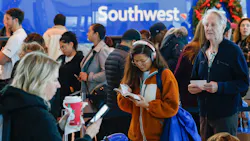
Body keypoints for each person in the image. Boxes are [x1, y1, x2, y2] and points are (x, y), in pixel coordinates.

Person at [0, 52, 102, 141]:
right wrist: (88, 136)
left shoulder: (10, 104)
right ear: (40, 82)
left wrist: (58, 128)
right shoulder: (40, 117)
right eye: (54, 79)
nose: (58, 85)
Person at [188, 9, 249, 140]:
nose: (209, 28)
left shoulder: (233, 51)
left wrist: (220, 87)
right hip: (204, 115)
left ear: (222, 27)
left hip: (225, 115)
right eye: (206, 25)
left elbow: (243, 84)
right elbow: (194, 78)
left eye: (213, 24)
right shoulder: (202, 51)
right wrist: (193, 88)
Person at [117, 40, 179, 141]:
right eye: (136, 61)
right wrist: (124, 95)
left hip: (159, 136)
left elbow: (172, 107)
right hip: (136, 136)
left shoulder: (165, 75)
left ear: (153, 57)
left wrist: (148, 105)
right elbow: (126, 108)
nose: (139, 64)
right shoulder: (133, 76)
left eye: (143, 61)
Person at [103, 29, 141, 137]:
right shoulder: (126, 57)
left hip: (111, 104)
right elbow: (129, 83)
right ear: (133, 42)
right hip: (122, 107)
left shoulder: (112, 54)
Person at [174, 21, 205, 129]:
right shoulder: (191, 49)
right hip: (195, 102)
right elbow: (177, 76)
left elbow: (177, 75)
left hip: (192, 101)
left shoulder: (190, 49)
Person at [79, 23, 111, 95]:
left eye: (89, 31)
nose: (87, 34)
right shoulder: (94, 49)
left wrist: (89, 77)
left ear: (96, 34)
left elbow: (106, 73)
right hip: (90, 90)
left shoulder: (103, 50)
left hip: (97, 93)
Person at [0, 8, 27, 91]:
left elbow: (1, 60)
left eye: (8, 19)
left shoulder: (15, 38)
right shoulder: (22, 34)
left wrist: (3, 52)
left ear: (16, 20)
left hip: (8, 79)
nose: (5, 22)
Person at [57, 31, 84, 112]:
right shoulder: (61, 58)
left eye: (63, 46)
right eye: (60, 47)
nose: (62, 50)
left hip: (73, 97)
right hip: (59, 95)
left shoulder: (81, 60)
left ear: (71, 44)